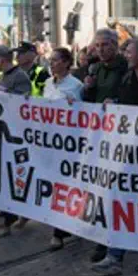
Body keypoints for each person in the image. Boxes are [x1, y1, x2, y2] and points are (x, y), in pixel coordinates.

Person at [92, 38, 138, 276]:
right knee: (120, 198)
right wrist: (113, 103)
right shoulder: (126, 78)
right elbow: (125, 104)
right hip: (125, 150)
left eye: (128, 51)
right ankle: (115, 255)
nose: (125, 54)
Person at [81, 29, 128, 261]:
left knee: (117, 192)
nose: (99, 50)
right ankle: (103, 238)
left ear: (114, 46)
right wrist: (87, 89)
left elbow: (131, 98)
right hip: (99, 136)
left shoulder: (125, 68)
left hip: (120, 138)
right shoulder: (95, 69)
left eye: (104, 45)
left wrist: (117, 103)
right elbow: (89, 103)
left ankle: (117, 244)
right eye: (96, 45)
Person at [0, 45, 32, 239]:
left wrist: (1, 91)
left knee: (15, 176)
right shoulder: (5, 76)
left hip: (16, 134)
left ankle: (8, 218)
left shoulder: (19, 76)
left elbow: (24, 101)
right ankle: (11, 214)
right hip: (4, 134)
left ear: (1, 59)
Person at [41, 47, 84, 250]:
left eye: (56, 60)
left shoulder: (76, 86)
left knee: (68, 184)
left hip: (69, 144)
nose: (52, 63)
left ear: (67, 63)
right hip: (50, 141)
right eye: (50, 60)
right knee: (54, 184)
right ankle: (62, 224)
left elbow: (83, 114)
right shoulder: (48, 83)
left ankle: (60, 231)